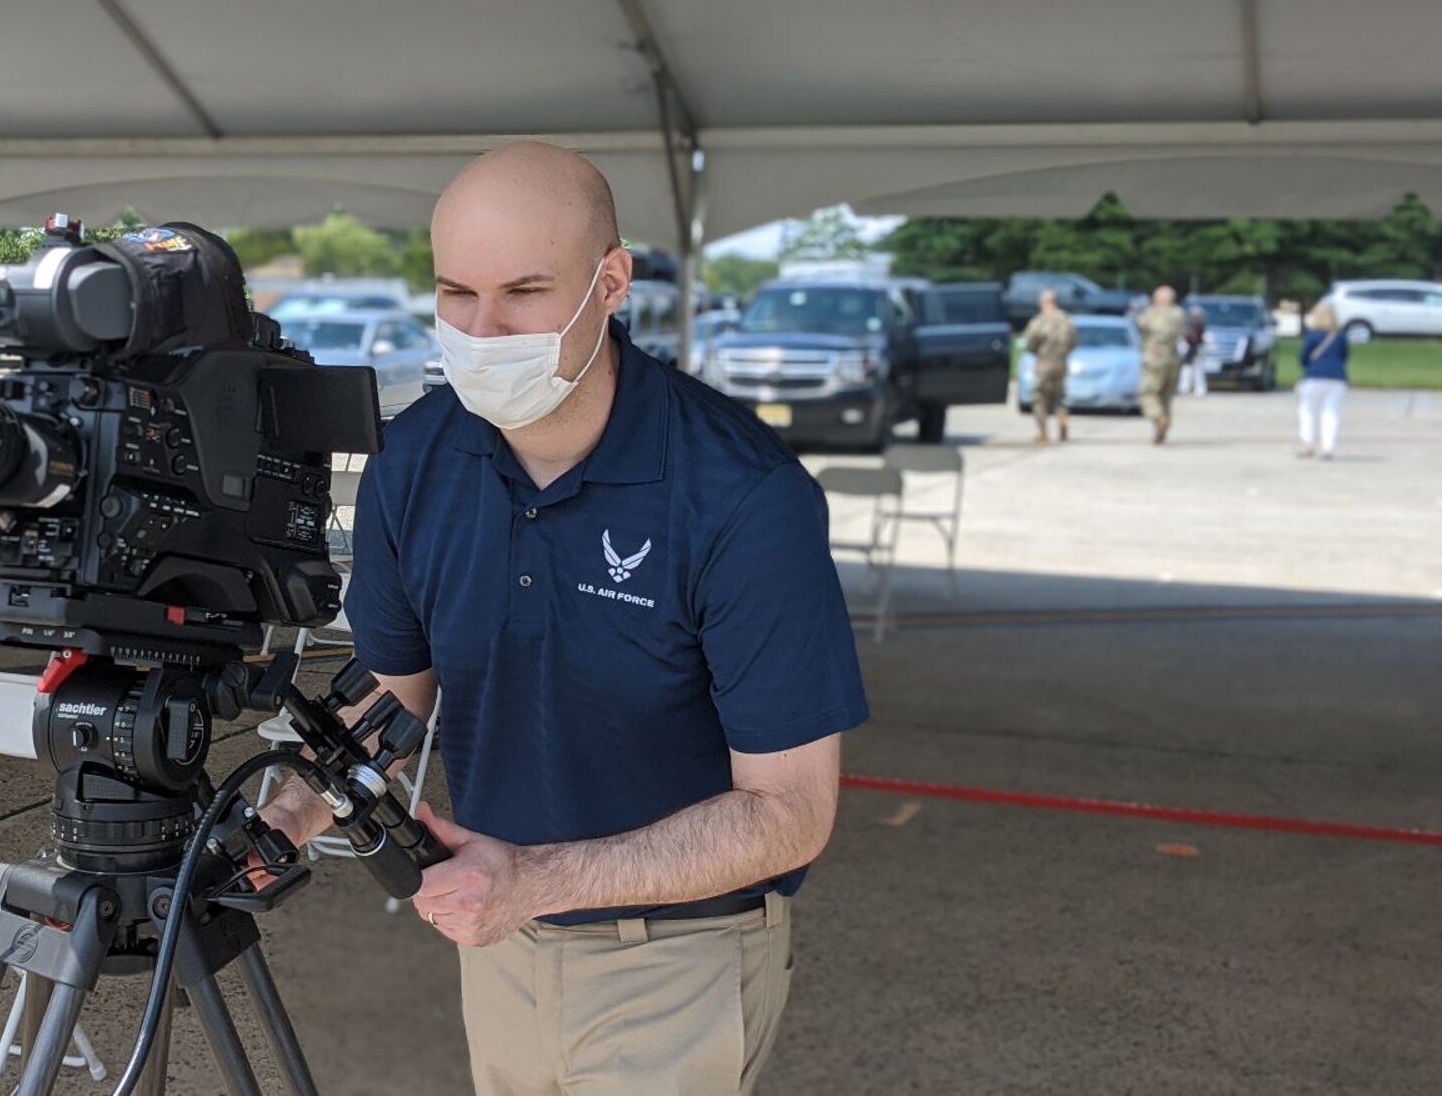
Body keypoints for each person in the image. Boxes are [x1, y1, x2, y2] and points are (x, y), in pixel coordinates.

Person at [256, 142, 869, 1096]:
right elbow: (396, 685)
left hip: (675, 951)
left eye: (524, 293)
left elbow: (791, 812)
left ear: (612, 281)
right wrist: (281, 817)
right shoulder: (416, 459)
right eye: (456, 292)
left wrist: (538, 878)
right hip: (499, 941)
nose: (484, 330)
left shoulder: (741, 494)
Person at [1022, 288, 1077, 444]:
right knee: (1059, 396)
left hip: (1044, 363)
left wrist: (1036, 352)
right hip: (1061, 363)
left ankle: (1043, 431)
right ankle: (1062, 421)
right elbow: (1074, 341)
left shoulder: (1039, 321)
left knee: (1039, 397)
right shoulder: (1066, 320)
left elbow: (1030, 342)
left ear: (1043, 303)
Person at [1297, 302, 1351, 459]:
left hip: (1314, 376)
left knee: (1307, 410)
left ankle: (1308, 444)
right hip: (1337, 378)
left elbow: (1304, 357)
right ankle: (1328, 447)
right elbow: (1344, 357)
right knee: (1331, 412)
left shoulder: (1312, 335)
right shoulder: (1340, 337)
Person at [1136, 285, 1187, 444]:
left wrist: (1152, 309)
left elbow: (1141, 325)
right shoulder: (1179, 314)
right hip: (1172, 359)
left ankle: (1158, 418)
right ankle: (1162, 430)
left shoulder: (1153, 313)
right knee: (1165, 397)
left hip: (1154, 358)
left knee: (1148, 394)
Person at [1179, 306, 1209, 397]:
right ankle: (1185, 388)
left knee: (1197, 370)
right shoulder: (1190, 326)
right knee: (1187, 370)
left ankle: (1199, 388)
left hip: (1196, 349)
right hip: (1190, 349)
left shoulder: (1199, 326)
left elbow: (1196, 338)